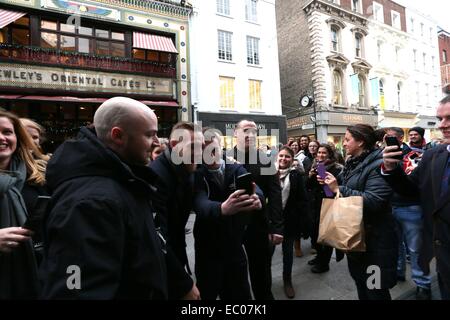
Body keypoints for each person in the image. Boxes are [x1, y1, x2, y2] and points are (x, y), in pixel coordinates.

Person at [40, 97, 168, 299]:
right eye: (149, 134)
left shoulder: (123, 181)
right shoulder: (91, 202)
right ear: (118, 136)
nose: (157, 142)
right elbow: (75, 290)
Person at [381, 95, 450, 300]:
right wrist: (391, 168)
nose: (443, 125)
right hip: (444, 259)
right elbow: (411, 189)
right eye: (440, 119)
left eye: (449, 118)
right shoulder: (433, 155)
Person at [322, 124, 398, 300]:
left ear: (361, 142)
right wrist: (328, 184)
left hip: (375, 243)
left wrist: (337, 188)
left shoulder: (380, 164)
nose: (344, 143)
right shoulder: (352, 163)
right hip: (355, 238)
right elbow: (337, 192)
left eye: (348, 139)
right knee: (361, 285)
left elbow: (374, 201)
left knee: (375, 290)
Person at [193, 129, 263, 300]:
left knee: (239, 294)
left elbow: (255, 188)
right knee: (207, 293)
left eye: (214, 150)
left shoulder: (236, 168)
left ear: (221, 147)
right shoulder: (196, 173)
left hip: (234, 243)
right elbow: (199, 202)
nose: (210, 156)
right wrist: (221, 208)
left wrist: (257, 198)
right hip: (207, 247)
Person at [230, 119, 283, 300]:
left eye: (254, 131)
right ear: (235, 133)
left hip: (258, 225)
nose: (251, 135)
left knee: (261, 273)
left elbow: (275, 196)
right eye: (246, 130)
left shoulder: (265, 161)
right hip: (231, 225)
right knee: (235, 275)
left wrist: (276, 228)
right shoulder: (225, 158)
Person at [150, 122, 203, 300]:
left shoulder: (189, 168)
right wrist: (183, 283)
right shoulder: (156, 177)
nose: (200, 153)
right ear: (174, 145)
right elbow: (157, 237)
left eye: (202, 147)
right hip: (160, 267)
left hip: (176, 257)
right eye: (194, 147)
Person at [0, 110, 49, 299]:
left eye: (7, 132)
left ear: (17, 138)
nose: (1, 137)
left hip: (36, 277)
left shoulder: (38, 178)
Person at [385, 127, 431, 299]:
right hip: (390, 206)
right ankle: (398, 271)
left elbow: (413, 182)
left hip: (411, 206)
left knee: (415, 248)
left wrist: (394, 168)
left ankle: (423, 284)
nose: (387, 139)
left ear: (400, 138)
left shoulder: (413, 155)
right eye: (386, 137)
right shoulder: (382, 153)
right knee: (396, 244)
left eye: (390, 137)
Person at [276, 146, 309, 298]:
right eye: (281, 156)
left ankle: (287, 280)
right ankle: (264, 281)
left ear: (292, 159)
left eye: (287, 157)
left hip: (290, 221)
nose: (283, 159)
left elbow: (303, 200)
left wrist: (302, 222)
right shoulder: (269, 173)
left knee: (287, 253)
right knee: (266, 253)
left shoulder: (296, 175)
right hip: (271, 221)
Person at [306, 143, 344, 274]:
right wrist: (310, 176)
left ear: (329, 154)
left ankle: (324, 263)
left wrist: (324, 180)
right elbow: (309, 187)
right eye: (319, 153)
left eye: (324, 153)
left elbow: (331, 192)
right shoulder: (316, 166)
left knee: (326, 236)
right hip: (315, 205)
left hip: (329, 205)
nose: (320, 155)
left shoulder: (337, 168)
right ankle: (319, 257)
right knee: (315, 233)